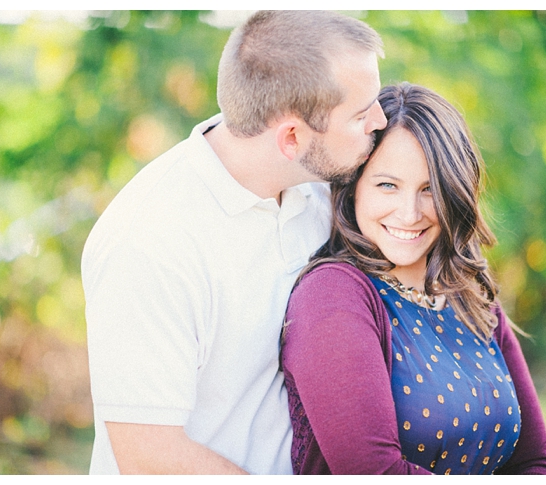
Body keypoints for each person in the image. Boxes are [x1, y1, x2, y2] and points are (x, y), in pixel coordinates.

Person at [81, 10, 387, 475]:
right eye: (361, 114)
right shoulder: (147, 242)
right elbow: (147, 454)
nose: (380, 121)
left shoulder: (320, 187)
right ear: (291, 137)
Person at [281, 82, 546, 475]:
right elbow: (376, 475)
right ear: (353, 187)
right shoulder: (333, 295)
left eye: (430, 189)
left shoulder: (472, 295)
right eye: (387, 185)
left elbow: (536, 462)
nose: (409, 213)